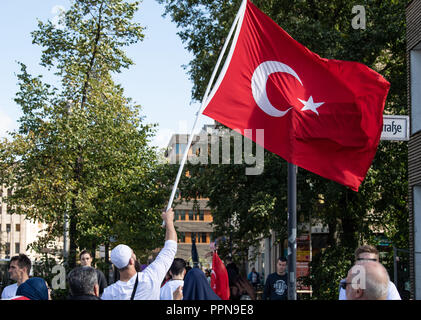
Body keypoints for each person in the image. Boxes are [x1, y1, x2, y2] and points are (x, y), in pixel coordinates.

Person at [101, 208, 177, 300]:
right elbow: (170, 248)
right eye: (133, 253)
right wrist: (169, 222)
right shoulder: (150, 278)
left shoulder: (109, 293)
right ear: (131, 261)